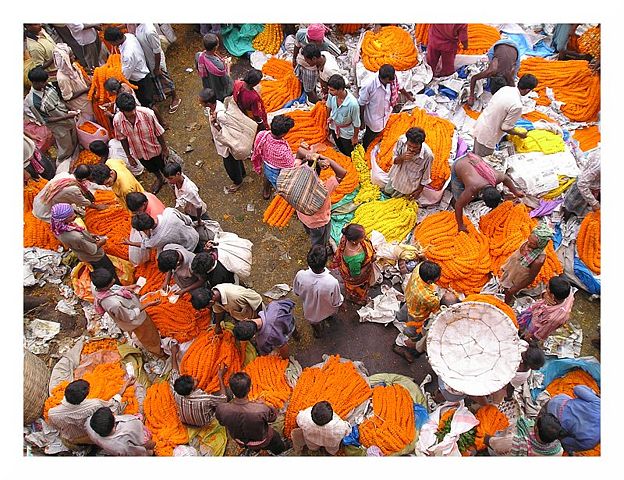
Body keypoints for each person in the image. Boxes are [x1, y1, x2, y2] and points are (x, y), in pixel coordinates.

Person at [90, 268, 164, 357]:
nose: (114, 280)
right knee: (149, 337)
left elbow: (113, 289)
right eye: (111, 282)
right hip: (136, 321)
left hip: (129, 315)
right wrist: (148, 305)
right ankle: (158, 352)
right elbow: (130, 316)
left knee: (145, 333)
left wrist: (127, 288)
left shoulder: (95, 286)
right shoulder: (114, 304)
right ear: (105, 287)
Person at [215, 372, 289, 455]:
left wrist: (220, 377)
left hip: (240, 441)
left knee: (251, 445)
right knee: (276, 440)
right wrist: (265, 404)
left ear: (231, 390)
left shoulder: (221, 409)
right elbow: (273, 418)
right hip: (262, 440)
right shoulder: (261, 409)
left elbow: (221, 422)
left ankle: (254, 449)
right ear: (250, 389)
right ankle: (281, 450)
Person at [452, 152, 525, 232]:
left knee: (466, 192)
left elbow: (506, 179)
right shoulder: (471, 189)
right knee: (459, 196)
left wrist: (516, 192)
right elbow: (458, 206)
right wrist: (460, 225)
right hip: (460, 164)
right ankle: (454, 198)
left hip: (473, 158)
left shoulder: (496, 177)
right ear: (482, 196)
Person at [24, 67, 80, 171]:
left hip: (67, 117)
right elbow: (45, 120)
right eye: (43, 82)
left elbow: (59, 100)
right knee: (65, 146)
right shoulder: (33, 101)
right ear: (35, 83)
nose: (46, 83)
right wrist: (66, 116)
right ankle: (63, 163)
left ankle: (74, 155)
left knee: (74, 137)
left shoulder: (48, 86)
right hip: (58, 126)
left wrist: (69, 108)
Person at [113, 92, 169, 194]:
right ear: (121, 111)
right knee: (151, 168)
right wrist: (129, 156)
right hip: (139, 152)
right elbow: (122, 138)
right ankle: (160, 178)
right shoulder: (117, 120)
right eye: (129, 111)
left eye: (134, 108)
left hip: (155, 148)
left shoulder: (148, 114)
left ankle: (170, 180)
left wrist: (164, 148)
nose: (133, 112)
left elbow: (158, 132)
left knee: (164, 166)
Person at [47, 378, 131, 446]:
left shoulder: (52, 413)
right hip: (91, 436)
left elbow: (54, 426)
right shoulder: (94, 404)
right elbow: (112, 406)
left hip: (72, 438)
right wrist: (125, 386)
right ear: (84, 397)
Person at [49, 203, 120, 283]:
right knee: (108, 270)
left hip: (82, 254)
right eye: (70, 216)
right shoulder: (76, 237)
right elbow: (92, 250)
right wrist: (102, 242)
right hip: (95, 257)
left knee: (98, 268)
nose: (74, 216)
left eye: (73, 213)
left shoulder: (56, 228)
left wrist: (88, 235)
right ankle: (115, 285)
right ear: (63, 219)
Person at [472, 74, 539, 157]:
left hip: (480, 125)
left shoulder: (505, 89)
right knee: (480, 164)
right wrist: (519, 133)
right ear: (528, 90)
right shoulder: (517, 105)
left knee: (474, 157)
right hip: (488, 136)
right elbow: (505, 128)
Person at [392, 261, 443, 362]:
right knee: (412, 331)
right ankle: (404, 343)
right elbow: (436, 309)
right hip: (416, 315)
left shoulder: (418, 269)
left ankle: (398, 319)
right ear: (429, 281)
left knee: (402, 313)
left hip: (409, 300)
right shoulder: (429, 297)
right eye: (438, 277)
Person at [296, 149, 346, 250]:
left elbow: (299, 152)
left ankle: (309, 233)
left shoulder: (296, 175)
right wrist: (325, 159)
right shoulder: (323, 189)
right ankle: (319, 249)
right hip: (318, 222)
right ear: (319, 172)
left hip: (302, 215)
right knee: (319, 239)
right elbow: (342, 173)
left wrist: (313, 156)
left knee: (309, 229)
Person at [199, 88, 247, 193]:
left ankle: (237, 181)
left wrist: (215, 124)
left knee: (230, 164)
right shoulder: (213, 107)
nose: (200, 102)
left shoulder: (220, 114)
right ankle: (242, 173)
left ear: (208, 103)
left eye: (201, 101)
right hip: (220, 141)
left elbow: (228, 131)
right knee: (235, 159)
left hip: (226, 144)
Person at [358, 64, 415, 150]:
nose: (390, 83)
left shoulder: (394, 78)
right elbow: (361, 103)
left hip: (386, 111)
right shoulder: (369, 85)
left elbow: (400, 87)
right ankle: (365, 146)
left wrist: (409, 97)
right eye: (388, 82)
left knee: (380, 130)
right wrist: (361, 121)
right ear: (381, 78)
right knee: (371, 134)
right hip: (374, 116)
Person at [170, 345, 228, 427]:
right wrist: (220, 377)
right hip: (203, 423)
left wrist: (173, 354)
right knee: (223, 404)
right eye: (195, 381)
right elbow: (224, 399)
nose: (196, 378)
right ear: (192, 390)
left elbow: (174, 371)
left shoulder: (174, 388)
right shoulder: (204, 398)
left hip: (183, 420)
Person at [293, 245, 343, 338]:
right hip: (328, 310)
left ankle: (317, 332)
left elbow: (296, 291)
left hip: (311, 312)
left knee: (315, 323)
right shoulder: (332, 282)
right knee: (329, 315)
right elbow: (336, 301)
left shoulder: (300, 275)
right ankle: (329, 319)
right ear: (325, 262)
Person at [103, 27, 157, 112]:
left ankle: (159, 121)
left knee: (147, 104)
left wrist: (113, 76)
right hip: (143, 71)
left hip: (140, 80)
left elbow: (124, 75)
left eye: (111, 43)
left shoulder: (128, 55)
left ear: (116, 40)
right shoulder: (129, 36)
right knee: (148, 99)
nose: (111, 45)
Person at [500, 222, 555, 305]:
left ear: (540, 245)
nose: (528, 243)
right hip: (512, 268)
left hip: (518, 276)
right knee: (505, 282)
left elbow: (530, 278)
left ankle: (506, 304)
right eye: (529, 240)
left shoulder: (538, 260)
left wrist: (515, 288)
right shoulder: (530, 241)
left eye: (532, 243)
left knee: (509, 291)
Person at [132, 23, 181, 114]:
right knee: (158, 81)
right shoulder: (138, 27)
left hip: (156, 62)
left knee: (165, 79)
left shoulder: (149, 31)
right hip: (149, 61)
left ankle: (175, 98)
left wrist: (157, 67)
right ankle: (164, 93)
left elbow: (157, 51)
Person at [251, 115, 299, 200]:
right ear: (283, 134)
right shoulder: (283, 151)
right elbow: (291, 166)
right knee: (278, 184)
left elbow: (257, 148)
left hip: (266, 163)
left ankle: (266, 189)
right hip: (276, 170)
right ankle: (277, 193)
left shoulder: (262, 135)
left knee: (267, 175)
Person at [545, 385, 600, 454]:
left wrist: (594, 395)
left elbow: (577, 388)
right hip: (553, 425)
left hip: (554, 402)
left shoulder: (599, 404)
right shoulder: (591, 442)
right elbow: (565, 443)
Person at [485, 408, 565, 456]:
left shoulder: (515, 442)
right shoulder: (558, 450)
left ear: (536, 429)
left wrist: (483, 435)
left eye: (536, 421)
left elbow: (493, 443)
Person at [293, 24, 341, 103]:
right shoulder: (300, 34)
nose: (322, 41)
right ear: (311, 40)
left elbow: (337, 53)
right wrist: (294, 59)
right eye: (320, 41)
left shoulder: (325, 46)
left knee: (309, 90)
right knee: (306, 84)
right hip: (306, 62)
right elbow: (296, 47)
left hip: (314, 66)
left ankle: (317, 104)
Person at [517, 276, 575, 341]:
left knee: (526, 334)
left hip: (536, 325)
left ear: (552, 296)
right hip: (536, 311)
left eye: (547, 287)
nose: (545, 288)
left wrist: (531, 335)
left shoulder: (555, 317)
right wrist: (545, 294)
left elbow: (544, 331)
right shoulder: (567, 293)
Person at [32, 170, 103, 222]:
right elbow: (83, 202)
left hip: (38, 201)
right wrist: (97, 207)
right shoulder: (73, 189)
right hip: (44, 212)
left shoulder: (63, 174)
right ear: (83, 179)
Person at [384, 127, 434, 200]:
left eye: (415, 147)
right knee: (387, 191)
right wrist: (402, 158)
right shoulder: (401, 141)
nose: (411, 149)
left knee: (397, 202)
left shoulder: (428, 156)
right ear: (407, 141)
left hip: (408, 185)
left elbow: (425, 176)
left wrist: (419, 190)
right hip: (395, 177)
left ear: (421, 144)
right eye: (409, 146)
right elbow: (394, 161)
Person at [190, 284, 263, 334]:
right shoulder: (213, 295)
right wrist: (217, 325)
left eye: (207, 307)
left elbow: (258, 299)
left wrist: (258, 319)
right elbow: (218, 310)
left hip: (255, 315)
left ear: (211, 302)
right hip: (241, 316)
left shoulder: (236, 296)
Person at [331, 224, 375, 306]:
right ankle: (356, 299)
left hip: (351, 267)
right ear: (354, 241)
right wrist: (369, 264)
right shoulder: (354, 258)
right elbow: (355, 275)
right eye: (362, 237)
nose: (365, 237)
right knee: (357, 291)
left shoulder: (346, 237)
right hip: (356, 277)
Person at [124, 208, 201, 254]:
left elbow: (145, 245)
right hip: (194, 235)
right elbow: (188, 220)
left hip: (189, 248)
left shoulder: (156, 240)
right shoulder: (169, 212)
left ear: (145, 230)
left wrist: (130, 243)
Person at [468, 39, 522, 105]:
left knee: (515, 69)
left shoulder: (510, 76)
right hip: (500, 44)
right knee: (491, 60)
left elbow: (513, 90)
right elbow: (473, 78)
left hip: (515, 49)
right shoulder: (491, 71)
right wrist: (471, 96)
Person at [86, 407, 155, 456]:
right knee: (151, 449)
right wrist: (148, 448)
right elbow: (138, 450)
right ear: (113, 428)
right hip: (137, 443)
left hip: (108, 448)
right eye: (113, 416)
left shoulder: (89, 424)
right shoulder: (130, 426)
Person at [52, 43, 94, 122]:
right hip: (80, 105)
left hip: (87, 99)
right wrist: (86, 90)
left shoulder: (74, 65)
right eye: (71, 56)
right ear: (65, 59)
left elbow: (82, 78)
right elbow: (67, 97)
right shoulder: (63, 78)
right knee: (89, 122)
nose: (74, 57)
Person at [325, 74, 361, 156]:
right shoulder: (332, 95)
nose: (330, 92)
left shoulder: (352, 104)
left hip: (346, 133)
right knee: (339, 146)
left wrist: (355, 137)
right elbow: (328, 107)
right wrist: (327, 123)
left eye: (332, 90)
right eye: (329, 89)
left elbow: (356, 123)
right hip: (334, 126)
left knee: (348, 151)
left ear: (341, 89)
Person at [196, 33, 233, 101]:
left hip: (207, 84)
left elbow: (198, 69)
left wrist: (221, 60)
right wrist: (228, 67)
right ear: (215, 47)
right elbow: (226, 82)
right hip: (218, 90)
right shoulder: (219, 66)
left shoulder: (198, 56)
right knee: (231, 86)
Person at [563, 150, 600, 218]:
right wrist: (594, 203)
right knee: (572, 208)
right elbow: (581, 183)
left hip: (593, 185)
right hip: (583, 189)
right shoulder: (599, 166)